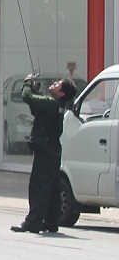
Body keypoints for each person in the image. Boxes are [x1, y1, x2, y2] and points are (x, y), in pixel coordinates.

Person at [11, 75, 77, 234]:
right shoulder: (56, 105)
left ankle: (31, 223)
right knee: (52, 189)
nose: (53, 84)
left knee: (38, 188)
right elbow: (35, 107)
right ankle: (50, 222)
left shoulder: (52, 104)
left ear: (61, 93)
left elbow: (27, 98)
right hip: (52, 152)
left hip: (46, 151)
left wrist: (26, 83)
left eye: (57, 84)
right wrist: (35, 89)